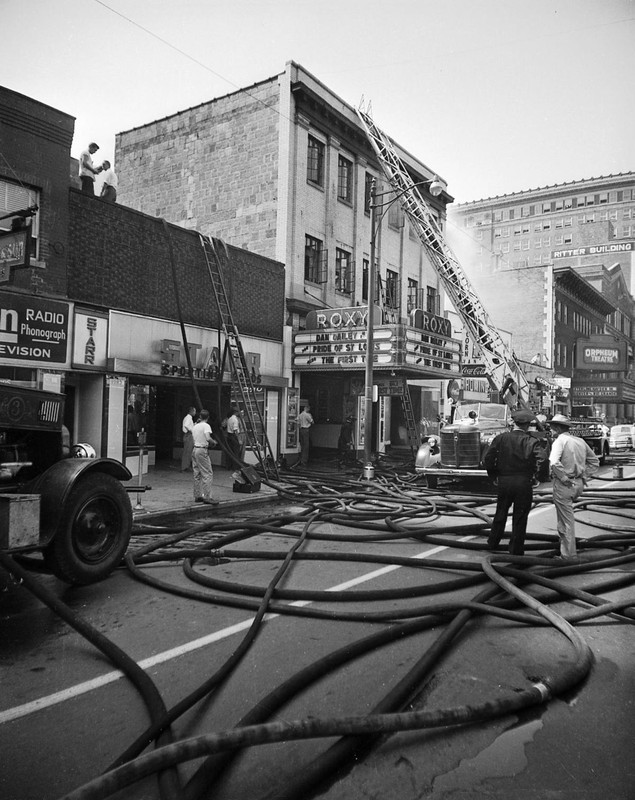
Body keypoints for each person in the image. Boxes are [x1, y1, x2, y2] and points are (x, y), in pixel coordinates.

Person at [483, 408, 545, 556]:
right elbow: (543, 459)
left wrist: (494, 476)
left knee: (500, 513)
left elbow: (488, 458)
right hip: (523, 482)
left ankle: (493, 543)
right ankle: (516, 550)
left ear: (514, 423)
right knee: (520, 516)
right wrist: (536, 477)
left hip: (504, 481)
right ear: (528, 425)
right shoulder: (532, 441)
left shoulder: (501, 438)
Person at [548, 414, 600, 559]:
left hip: (565, 485)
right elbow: (594, 461)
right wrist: (583, 476)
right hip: (578, 484)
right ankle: (565, 548)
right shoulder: (580, 441)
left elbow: (553, 462)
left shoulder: (560, 441)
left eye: (552, 427)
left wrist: (564, 478)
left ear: (558, 428)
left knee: (565, 521)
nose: (550, 430)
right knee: (565, 519)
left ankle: (568, 555)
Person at [191, 409, 219, 505]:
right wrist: (213, 442)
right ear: (208, 417)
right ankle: (207, 497)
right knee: (207, 473)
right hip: (202, 450)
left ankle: (197, 495)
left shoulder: (195, 426)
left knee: (197, 473)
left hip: (195, 449)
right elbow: (207, 437)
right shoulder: (206, 426)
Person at [181, 406, 196, 472]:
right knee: (187, 451)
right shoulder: (188, 418)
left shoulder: (189, 418)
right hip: (188, 435)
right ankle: (185, 467)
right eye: (194, 411)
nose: (195, 413)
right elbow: (186, 425)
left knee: (188, 451)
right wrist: (190, 430)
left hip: (188, 435)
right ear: (192, 411)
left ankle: (186, 466)